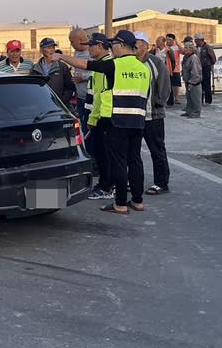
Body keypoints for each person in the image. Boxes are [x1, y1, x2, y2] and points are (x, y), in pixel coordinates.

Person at [52, 30, 150, 214]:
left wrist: (61, 56)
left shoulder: (115, 65)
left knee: (119, 163)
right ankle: (138, 201)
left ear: (121, 45)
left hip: (117, 121)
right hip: (138, 121)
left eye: (113, 44)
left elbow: (83, 64)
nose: (111, 47)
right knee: (135, 160)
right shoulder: (144, 69)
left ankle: (120, 204)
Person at [135, 31, 171, 195]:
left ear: (146, 45)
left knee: (157, 149)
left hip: (153, 115)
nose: (135, 45)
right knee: (133, 151)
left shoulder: (155, 63)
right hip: (134, 115)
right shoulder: (130, 63)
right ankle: (134, 181)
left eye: (138, 42)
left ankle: (161, 183)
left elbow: (164, 87)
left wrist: (158, 103)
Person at [83, 33, 113, 199]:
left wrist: (92, 120)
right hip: (100, 116)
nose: (89, 48)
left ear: (100, 46)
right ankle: (107, 184)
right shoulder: (101, 65)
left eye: (91, 45)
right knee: (103, 154)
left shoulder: (104, 66)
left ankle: (106, 187)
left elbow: (100, 97)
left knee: (104, 155)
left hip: (103, 118)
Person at [68, 28, 93, 153]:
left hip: (92, 100)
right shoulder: (77, 53)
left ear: (81, 40)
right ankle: (89, 155)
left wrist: (83, 77)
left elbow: (100, 72)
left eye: (72, 42)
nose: (71, 45)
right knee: (84, 130)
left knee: (92, 130)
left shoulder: (93, 52)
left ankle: (96, 159)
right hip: (80, 98)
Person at [31, 38, 75, 106]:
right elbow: (32, 89)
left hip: (59, 106)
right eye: (48, 47)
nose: (52, 50)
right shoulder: (35, 69)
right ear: (41, 50)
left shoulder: (62, 67)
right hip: (40, 105)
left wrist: (63, 101)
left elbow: (69, 86)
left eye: (53, 47)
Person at [180, 40, 202, 118]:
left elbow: (195, 71)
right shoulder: (186, 57)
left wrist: (192, 82)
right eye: (184, 47)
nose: (185, 49)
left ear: (191, 49)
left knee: (195, 97)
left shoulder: (193, 58)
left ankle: (196, 112)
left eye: (186, 48)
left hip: (194, 82)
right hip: (187, 80)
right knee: (189, 97)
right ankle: (189, 111)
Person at [194, 33, 216, 104]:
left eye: (197, 40)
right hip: (198, 68)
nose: (196, 42)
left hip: (206, 67)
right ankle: (200, 100)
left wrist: (209, 64)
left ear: (201, 40)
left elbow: (213, 58)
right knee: (199, 84)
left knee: (206, 84)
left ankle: (208, 100)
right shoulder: (195, 48)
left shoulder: (208, 47)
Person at [165, 33, 182, 106]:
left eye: (170, 39)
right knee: (168, 85)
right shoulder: (165, 47)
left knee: (176, 84)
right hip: (168, 69)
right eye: (167, 39)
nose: (168, 41)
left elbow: (183, 51)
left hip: (176, 68)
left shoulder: (176, 47)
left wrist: (178, 43)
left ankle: (176, 98)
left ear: (173, 40)